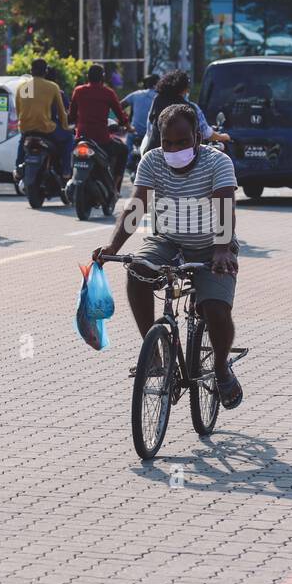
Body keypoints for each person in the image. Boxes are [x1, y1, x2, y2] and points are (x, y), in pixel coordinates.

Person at [94, 101, 243, 408]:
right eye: (168, 142)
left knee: (216, 309)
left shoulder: (218, 163)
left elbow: (226, 209)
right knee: (136, 270)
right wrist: (112, 248)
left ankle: (220, 368)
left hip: (213, 245)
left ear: (197, 139)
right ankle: (155, 355)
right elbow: (136, 208)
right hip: (168, 242)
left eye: (182, 142)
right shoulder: (151, 161)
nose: (174, 149)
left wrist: (221, 250)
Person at [69, 64, 131, 188]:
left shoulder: (78, 91)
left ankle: (68, 176)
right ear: (103, 77)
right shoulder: (108, 93)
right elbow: (120, 115)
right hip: (102, 139)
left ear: (88, 77)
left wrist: (74, 124)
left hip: (81, 137)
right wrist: (128, 126)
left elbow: (71, 115)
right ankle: (114, 185)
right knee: (123, 150)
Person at [141, 70, 230, 154]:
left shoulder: (157, 100)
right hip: (182, 157)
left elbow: (150, 128)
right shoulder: (191, 107)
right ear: (184, 89)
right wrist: (223, 137)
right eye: (187, 87)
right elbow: (206, 133)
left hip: (155, 153)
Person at [15, 58, 71, 176]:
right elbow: (62, 112)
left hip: (27, 128)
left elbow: (20, 110)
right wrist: (66, 127)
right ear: (45, 72)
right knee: (68, 139)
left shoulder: (24, 87)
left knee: (22, 140)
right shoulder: (52, 87)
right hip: (46, 128)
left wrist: (23, 124)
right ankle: (66, 171)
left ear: (31, 71)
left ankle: (18, 169)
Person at [123, 73, 160, 174]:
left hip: (135, 131)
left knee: (127, 147)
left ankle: (128, 162)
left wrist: (121, 122)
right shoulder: (160, 97)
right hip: (151, 134)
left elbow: (119, 107)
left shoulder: (135, 95)